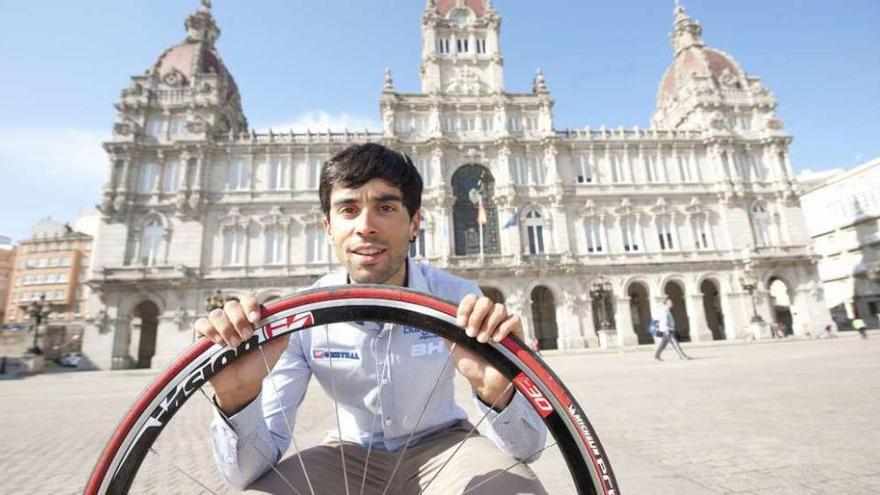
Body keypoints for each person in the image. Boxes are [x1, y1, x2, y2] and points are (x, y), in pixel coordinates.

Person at [195, 143, 548, 494]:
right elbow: (246, 473)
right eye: (348, 209)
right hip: (345, 453)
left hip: (447, 446)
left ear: (415, 223)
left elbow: (527, 449)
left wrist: (499, 392)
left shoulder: (459, 298)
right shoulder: (300, 317)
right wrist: (238, 398)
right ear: (328, 227)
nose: (366, 226)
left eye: (386, 207)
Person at [654, 296, 692, 361]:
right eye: (670, 303)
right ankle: (682, 356)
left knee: (663, 345)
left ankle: (656, 356)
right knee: (675, 343)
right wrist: (666, 329)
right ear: (666, 304)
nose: (672, 304)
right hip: (668, 331)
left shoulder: (667, 310)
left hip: (668, 330)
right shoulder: (665, 310)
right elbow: (664, 320)